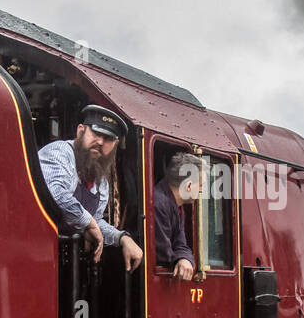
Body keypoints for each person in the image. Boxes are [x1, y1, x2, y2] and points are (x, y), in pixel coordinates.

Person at [38, 104, 143, 272]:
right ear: (81, 131)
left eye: (107, 138)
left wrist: (122, 238)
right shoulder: (59, 152)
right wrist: (89, 223)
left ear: (115, 144)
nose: (100, 142)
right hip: (38, 255)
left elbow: (96, 220)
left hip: (67, 266)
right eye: (95, 133)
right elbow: (55, 193)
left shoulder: (101, 182)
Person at [154, 151, 202, 280]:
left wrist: (184, 258)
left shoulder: (177, 207)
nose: (201, 191)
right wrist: (178, 260)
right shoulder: (158, 203)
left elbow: (181, 244)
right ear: (189, 186)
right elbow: (162, 254)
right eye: (201, 185)